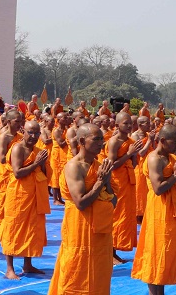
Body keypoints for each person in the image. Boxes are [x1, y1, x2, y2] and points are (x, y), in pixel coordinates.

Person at [131, 123, 176, 294]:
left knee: (169, 251)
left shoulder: (174, 158)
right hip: (159, 210)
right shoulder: (154, 159)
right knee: (157, 250)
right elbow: (158, 189)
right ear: (162, 140)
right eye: (175, 143)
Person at [48, 124, 115, 295]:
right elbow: (81, 203)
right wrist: (100, 183)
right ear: (83, 141)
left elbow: (113, 199)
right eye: (97, 139)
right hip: (79, 227)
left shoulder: (100, 165)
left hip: (101, 230)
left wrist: (106, 181)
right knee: (76, 269)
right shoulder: (74, 167)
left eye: (102, 138)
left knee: (99, 271)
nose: (102, 142)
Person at [0, 120, 49, 279]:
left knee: (32, 229)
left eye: (37, 133)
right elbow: (18, 173)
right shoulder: (17, 148)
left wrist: (41, 164)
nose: (34, 136)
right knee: (14, 228)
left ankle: (28, 264)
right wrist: (36, 163)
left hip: (34, 195)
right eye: (30, 132)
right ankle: (9, 269)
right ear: (23, 131)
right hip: (19, 194)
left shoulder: (38, 150)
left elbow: (44, 173)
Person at [107, 111, 144, 264]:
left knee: (126, 215)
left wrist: (132, 155)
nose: (129, 126)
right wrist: (128, 154)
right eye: (125, 123)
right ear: (117, 125)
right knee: (116, 216)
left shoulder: (130, 141)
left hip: (128, 181)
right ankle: (110, 252)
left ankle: (116, 249)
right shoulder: (114, 141)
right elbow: (111, 165)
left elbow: (134, 163)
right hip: (116, 182)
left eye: (130, 123)